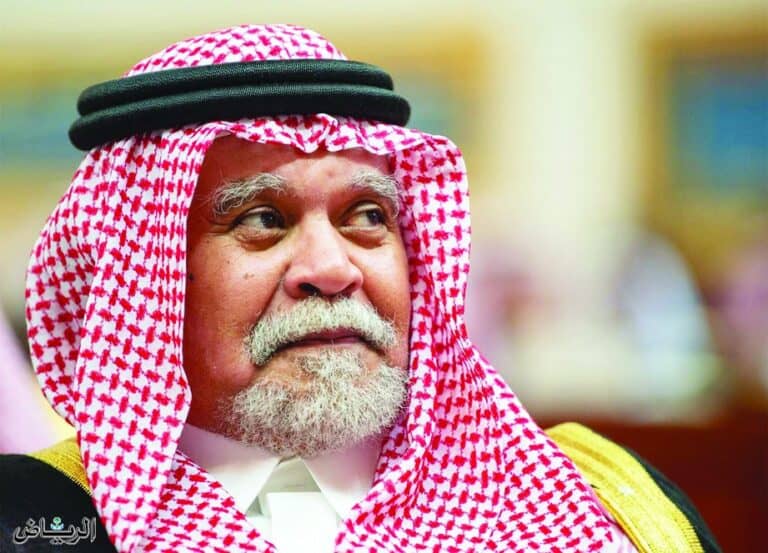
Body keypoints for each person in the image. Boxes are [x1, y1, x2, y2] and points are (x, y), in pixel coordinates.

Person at [0, 24, 719, 553]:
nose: (333, 266)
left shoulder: (603, 508)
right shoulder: (37, 522)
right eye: (262, 219)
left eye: (368, 217)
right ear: (145, 278)